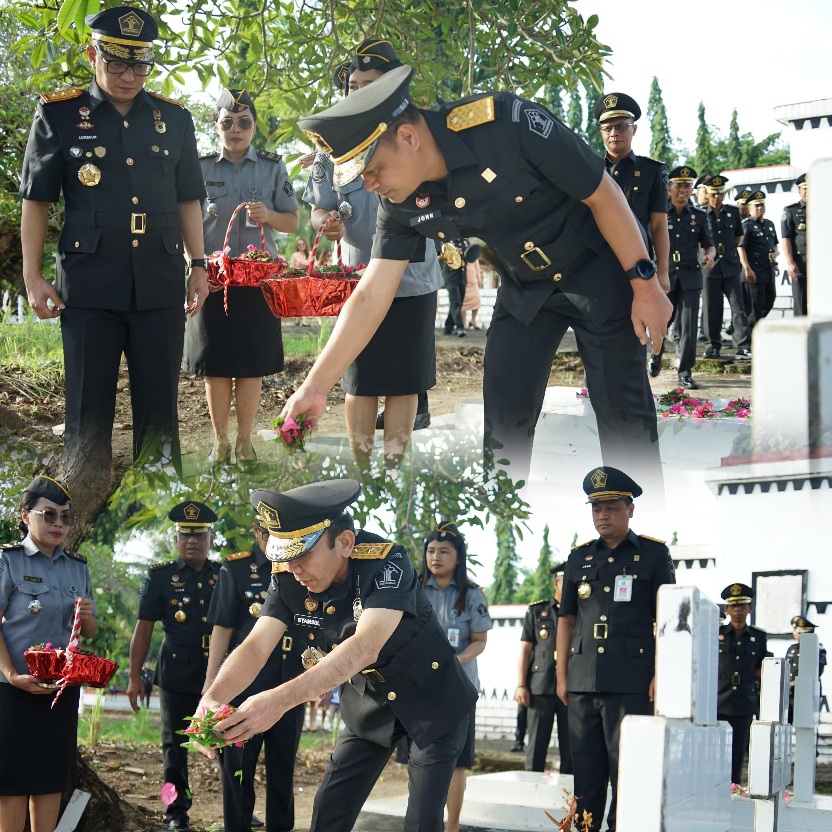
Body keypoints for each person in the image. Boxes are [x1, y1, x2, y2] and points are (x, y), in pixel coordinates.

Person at [287, 64, 671, 488]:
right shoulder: (399, 204)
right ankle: (506, 511)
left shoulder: (505, 123)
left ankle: (645, 530)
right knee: (505, 413)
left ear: (408, 138)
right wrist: (316, 386)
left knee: (625, 418)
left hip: (597, 271)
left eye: (372, 169)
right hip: (525, 288)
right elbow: (372, 293)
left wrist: (645, 284)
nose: (370, 184)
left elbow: (603, 193)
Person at [197, 478, 478, 832]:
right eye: (285, 556)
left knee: (422, 819)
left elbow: (364, 647)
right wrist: (213, 697)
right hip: (368, 700)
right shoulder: (287, 577)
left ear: (345, 543)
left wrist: (277, 702)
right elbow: (255, 646)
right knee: (330, 807)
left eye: (303, 555)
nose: (294, 568)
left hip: (432, 697)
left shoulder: (387, 562)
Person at [19, 7, 208, 475]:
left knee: (161, 412)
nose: (128, 75)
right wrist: (32, 275)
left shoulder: (175, 119)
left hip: (160, 282)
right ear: (92, 55)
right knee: (87, 410)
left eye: (140, 64)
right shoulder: (58, 114)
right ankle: (81, 505)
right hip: (88, 286)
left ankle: (159, 514)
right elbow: (36, 200)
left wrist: (199, 264)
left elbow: (189, 200)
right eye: (117, 62)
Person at [303, 42, 442, 469]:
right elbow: (317, 207)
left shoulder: (415, 138)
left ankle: (394, 467)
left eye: (370, 85)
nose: (359, 92)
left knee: (404, 381)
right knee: (359, 382)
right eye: (354, 85)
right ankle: (362, 468)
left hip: (414, 278)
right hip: (358, 278)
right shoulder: (328, 149)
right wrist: (327, 221)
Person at [556, 466, 675, 832]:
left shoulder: (654, 555)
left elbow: (668, 619)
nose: (602, 515)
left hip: (631, 682)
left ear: (630, 509)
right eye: (596, 509)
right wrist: (561, 676)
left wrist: (661, 673)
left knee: (627, 767)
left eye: (611, 507)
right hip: (582, 681)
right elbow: (567, 619)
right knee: (587, 771)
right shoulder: (578, 557)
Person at [184, 89, 299, 464]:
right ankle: (219, 442)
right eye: (227, 122)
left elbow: (293, 221)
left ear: (254, 127)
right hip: (212, 282)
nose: (236, 129)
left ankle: (244, 441)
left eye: (244, 122)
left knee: (252, 367)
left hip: (257, 283)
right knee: (215, 367)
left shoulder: (272, 167)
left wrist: (269, 215)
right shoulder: (197, 167)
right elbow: (184, 224)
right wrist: (195, 266)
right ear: (216, 126)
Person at [0, 476, 97, 832]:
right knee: (10, 782)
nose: (58, 524)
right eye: (49, 515)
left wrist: (86, 617)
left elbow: (89, 631)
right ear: (26, 516)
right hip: (12, 688)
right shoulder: (7, 561)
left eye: (66, 517)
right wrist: (11, 675)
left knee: (49, 779)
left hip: (60, 688)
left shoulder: (77, 566)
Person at [127, 501, 220, 832]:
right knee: (173, 748)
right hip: (175, 674)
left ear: (211, 538)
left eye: (199, 535)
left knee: (226, 741)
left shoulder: (223, 575)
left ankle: (238, 807)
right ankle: (175, 813)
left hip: (218, 674)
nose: (191, 541)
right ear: (177, 538)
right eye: (185, 535)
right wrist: (135, 676)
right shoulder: (160, 576)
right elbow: (144, 629)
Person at [205, 522, 304, 832]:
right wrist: (211, 689)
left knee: (283, 768)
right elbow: (222, 630)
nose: (274, 541)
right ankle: (237, 826)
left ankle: (281, 827)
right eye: (267, 534)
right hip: (245, 687)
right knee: (238, 769)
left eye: (282, 534)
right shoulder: (235, 569)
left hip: (289, 685)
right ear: (255, 531)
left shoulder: (301, 566)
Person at [419, 521, 492, 832]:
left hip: (457, 690)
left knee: (457, 761)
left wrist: (453, 662)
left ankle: (453, 826)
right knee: (419, 759)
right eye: (431, 551)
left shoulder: (472, 594)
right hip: (418, 687)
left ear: (458, 557)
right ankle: (424, 823)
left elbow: (480, 641)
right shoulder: (413, 590)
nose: (436, 557)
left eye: (444, 551)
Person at [593, 92, 670, 299]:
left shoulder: (653, 171)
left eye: (621, 126)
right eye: (607, 128)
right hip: (595, 267)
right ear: (601, 133)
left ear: (634, 129)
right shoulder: (591, 170)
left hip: (637, 267)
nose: (614, 133)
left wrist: (662, 270)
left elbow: (659, 225)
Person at [515, 562, 572, 774]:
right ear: (556, 583)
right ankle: (530, 795)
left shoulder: (581, 612)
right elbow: (526, 651)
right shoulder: (538, 611)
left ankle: (569, 801)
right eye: (566, 582)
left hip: (572, 688)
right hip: (540, 687)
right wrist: (521, 685)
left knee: (572, 749)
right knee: (536, 747)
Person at [664, 166, 715, 390]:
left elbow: (709, 245)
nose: (683, 190)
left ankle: (684, 372)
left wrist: (709, 256)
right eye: (679, 185)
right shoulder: (658, 214)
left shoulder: (699, 217)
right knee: (661, 321)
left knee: (688, 328)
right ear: (670, 188)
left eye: (687, 186)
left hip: (691, 276)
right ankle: (655, 356)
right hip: (664, 276)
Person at [716, 583, 769, 786]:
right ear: (726, 609)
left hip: (744, 700)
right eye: (733, 606)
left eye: (742, 606)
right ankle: (715, 787)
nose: (738, 610)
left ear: (750, 608)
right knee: (716, 749)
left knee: (739, 749)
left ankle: (734, 787)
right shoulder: (716, 634)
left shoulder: (758, 637)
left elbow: (762, 665)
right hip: (718, 699)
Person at [701, 175, 751, 360]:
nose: (717, 198)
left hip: (730, 265)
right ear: (707, 194)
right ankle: (712, 345)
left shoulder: (733, 212)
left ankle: (743, 346)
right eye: (713, 194)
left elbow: (738, 237)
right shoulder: (700, 214)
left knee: (738, 307)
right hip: (710, 267)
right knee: (712, 309)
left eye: (720, 194)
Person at [739, 190, 779, 330]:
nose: (760, 208)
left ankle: (752, 329)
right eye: (756, 205)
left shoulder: (769, 224)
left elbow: (774, 245)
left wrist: (775, 260)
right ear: (749, 208)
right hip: (753, 272)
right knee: (755, 307)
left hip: (767, 270)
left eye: (762, 205)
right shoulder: (747, 225)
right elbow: (741, 248)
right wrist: (747, 269)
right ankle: (749, 338)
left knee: (769, 301)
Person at [785, 615, 827, 724]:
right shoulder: (792, 648)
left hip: (806, 692)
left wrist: (793, 684)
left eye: (798, 631)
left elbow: (815, 671)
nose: (795, 633)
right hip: (790, 694)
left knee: (805, 726)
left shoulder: (817, 649)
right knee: (787, 723)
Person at [781, 173, 808, 316]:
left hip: (821, 266)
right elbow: (786, 238)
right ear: (799, 191)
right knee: (801, 303)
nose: (808, 192)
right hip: (800, 264)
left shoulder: (824, 209)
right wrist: (790, 262)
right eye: (805, 189)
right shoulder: (791, 210)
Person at [462, 246, 483, 329]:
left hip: (473, 283)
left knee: (477, 302)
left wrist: (479, 281)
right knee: (463, 305)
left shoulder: (474, 258)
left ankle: (473, 320)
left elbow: (477, 270)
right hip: (464, 283)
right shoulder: (461, 257)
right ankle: (464, 323)